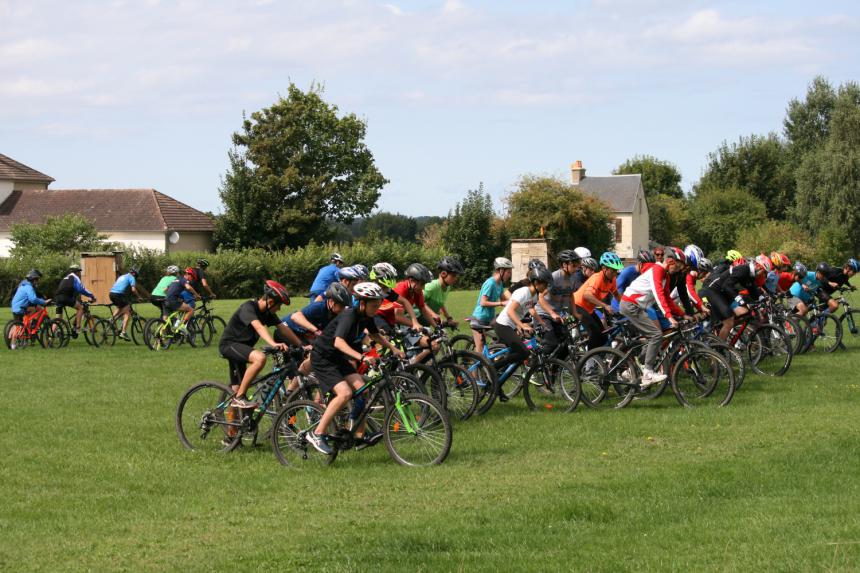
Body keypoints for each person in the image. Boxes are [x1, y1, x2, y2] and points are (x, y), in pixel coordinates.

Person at [306, 282, 405, 455]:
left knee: (363, 390)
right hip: (323, 358)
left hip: (337, 358)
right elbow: (338, 342)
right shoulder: (349, 315)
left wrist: (394, 349)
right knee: (345, 393)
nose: (377, 309)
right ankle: (318, 433)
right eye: (374, 305)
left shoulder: (366, 316)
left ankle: (357, 435)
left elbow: (375, 335)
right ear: (362, 303)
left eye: (378, 305)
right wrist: (362, 357)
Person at [219, 280, 305, 412]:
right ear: (271, 302)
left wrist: (301, 345)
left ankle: (232, 430)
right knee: (260, 358)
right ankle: (240, 397)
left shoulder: (267, 313)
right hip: (229, 345)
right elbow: (258, 327)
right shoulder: (248, 307)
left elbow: (283, 328)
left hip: (242, 349)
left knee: (235, 389)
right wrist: (274, 344)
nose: (279, 308)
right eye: (279, 305)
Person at [620, 248, 688, 387]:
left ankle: (631, 370)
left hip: (637, 307)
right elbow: (658, 295)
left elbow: (668, 299)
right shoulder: (657, 271)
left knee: (654, 336)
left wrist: (683, 314)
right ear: (669, 261)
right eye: (678, 266)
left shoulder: (666, 276)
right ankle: (647, 374)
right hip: (630, 305)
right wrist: (670, 317)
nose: (679, 270)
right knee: (656, 335)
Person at [491, 267, 552, 401]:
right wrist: (521, 325)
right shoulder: (523, 292)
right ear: (536, 282)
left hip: (511, 326)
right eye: (545, 284)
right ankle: (492, 367)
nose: (547, 287)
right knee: (524, 353)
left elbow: (527, 310)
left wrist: (541, 323)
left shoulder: (534, 295)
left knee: (518, 359)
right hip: (502, 325)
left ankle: (497, 385)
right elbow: (510, 311)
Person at [280, 282, 351, 377]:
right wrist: (316, 331)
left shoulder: (335, 314)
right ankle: (292, 389)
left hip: (303, 334)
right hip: (287, 330)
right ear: (331, 302)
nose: (343, 309)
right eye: (341, 306)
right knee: (309, 358)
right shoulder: (319, 306)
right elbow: (295, 316)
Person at [700, 254, 770, 341]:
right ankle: (719, 349)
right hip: (714, 291)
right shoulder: (744, 269)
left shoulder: (751, 274)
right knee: (729, 321)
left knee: (745, 312)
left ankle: (725, 326)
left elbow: (752, 289)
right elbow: (727, 286)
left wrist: (761, 298)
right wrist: (739, 299)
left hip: (724, 292)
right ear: (759, 267)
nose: (764, 275)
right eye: (764, 272)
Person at [536, 250, 581, 358]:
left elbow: (571, 295)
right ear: (564, 265)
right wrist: (552, 313)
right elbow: (540, 297)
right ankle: (534, 363)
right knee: (551, 344)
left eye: (577, 265)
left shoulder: (573, 278)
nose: (576, 268)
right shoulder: (554, 277)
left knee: (566, 345)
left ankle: (554, 371)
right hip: (543, 314)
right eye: (573, 265)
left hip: (557, 315)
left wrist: (575, 313)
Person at [574, 252, 623, 350]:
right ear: (604, 268)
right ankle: (589, 360)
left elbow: (616, 294)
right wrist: (605, 306)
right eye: (613, 270)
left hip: (588, 308)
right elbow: (587, 295)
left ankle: (597, 359)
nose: (615, 273)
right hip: (577, 305)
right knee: (595, 333)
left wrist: (625, 306)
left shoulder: (612, 279)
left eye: (616, 271)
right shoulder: (597, 278)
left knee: (603, 335)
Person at [469, 257, 513, 353]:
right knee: (480, 350)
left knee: (502, 335)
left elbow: (503, 299)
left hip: (489, 319)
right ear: (501, 270)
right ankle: (474, 366)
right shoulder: (490, 283)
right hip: (479, 319)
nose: (509, 275)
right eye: (508, 272)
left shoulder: (499, 283)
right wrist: (501, 303)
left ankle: (493, 353)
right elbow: (483, 302)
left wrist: (515, 302)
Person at [54, 264, 96, 338]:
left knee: (58, 319)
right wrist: (91, 295)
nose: (80, 274)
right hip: (65, 297)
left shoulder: (66, 277)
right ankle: (77, 328)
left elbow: (68, 289)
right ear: (76, 272)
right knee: (80, 308)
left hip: (57, 297)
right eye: (79, 272)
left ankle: (51, 336)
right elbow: (81, 289)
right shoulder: (74, 277)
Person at [10, 269, 50, 349]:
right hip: (21, 307)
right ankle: (14, 344)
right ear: (34, 280)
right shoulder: (29, 287)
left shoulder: (23, 285)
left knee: (36, 309)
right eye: (37, 280)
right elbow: (33, 299)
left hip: (15, 306)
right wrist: (44, 301)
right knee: (39, 309)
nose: (38, 282)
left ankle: (30, 325)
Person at [423, 257, 465, 327]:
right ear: (443, 274)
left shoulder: (447, 287)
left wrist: (448, 318)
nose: (456, 278)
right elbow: (418, 301)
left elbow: (440, 303)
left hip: (427, 321)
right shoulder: (432, 286)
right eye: (453, 275)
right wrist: (433, 314)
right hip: (414, 320)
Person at [109, 266, 147, 341]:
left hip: (111, 294)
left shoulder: (122, 276)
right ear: (135, 273)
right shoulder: (132, 277)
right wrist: (139, 297)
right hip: (118, 295)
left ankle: (112, 319)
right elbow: (133, 289)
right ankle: (123, 332)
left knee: (120, 307)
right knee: (127, 312)